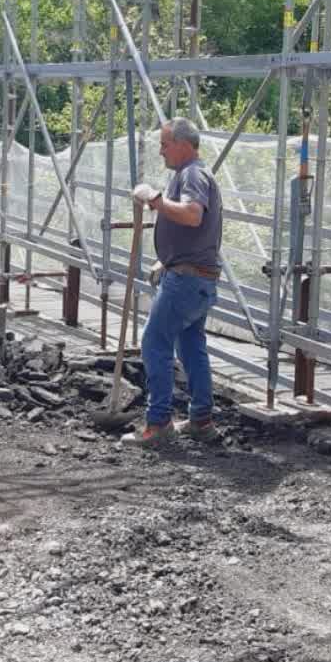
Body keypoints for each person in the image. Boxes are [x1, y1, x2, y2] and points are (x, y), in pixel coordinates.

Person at [128, 117, 223, 444]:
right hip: (194, 277)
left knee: (155, 342)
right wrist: (166, 259)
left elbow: (193, 215)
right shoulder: (194, 174)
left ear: (183, 144)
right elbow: (194, 229)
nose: (161, 151)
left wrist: (153, 199)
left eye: (165, 144)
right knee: (192, 348)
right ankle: (201, 420)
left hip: (185, 281)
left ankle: (159, 425)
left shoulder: (192, 174)